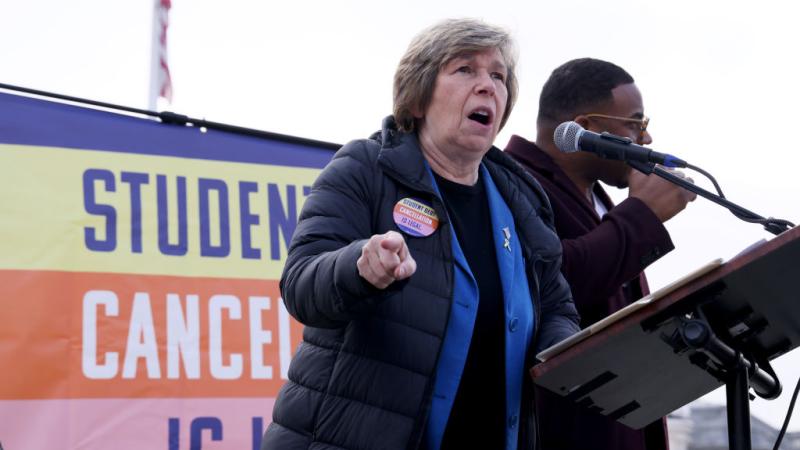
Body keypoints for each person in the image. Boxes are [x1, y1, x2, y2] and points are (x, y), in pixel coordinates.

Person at [261, 19, 580, 450]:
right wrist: (360, 268)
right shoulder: (365, 168)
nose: (488, 85)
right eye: (465, 69)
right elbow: (301, 284)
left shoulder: (521, 198)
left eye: (499, 75)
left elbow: (557, 306)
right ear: (417, 98)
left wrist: (565, 355)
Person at [504, 58, 697, 450]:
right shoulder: (509, 183)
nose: (646, 139)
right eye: (635, 124)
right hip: (560, 429)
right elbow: (554, 280)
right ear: (584, 129)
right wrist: (643, 217)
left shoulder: (605, 203)